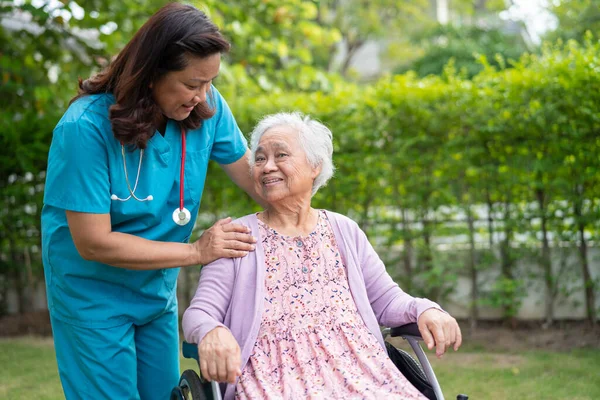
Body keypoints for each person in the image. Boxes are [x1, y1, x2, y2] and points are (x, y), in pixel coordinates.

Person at [41, 3, 261, 399]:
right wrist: (197, 251)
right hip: (92, 296)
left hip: (155, 291)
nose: (203, 96)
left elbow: (257, 182)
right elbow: (93, 242)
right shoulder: (84, 128)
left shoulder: (206, 110)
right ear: (151, 73)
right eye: (193, 84)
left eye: (210, 82)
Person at [182, 112, 462, 399]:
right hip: (275, 381)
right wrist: (212, 331)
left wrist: (425, 309)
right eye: (260, 158)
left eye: (281, 155)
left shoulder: (344, 230)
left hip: (362, 372)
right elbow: (199, 313)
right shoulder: (237, 235)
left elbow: (387, 299)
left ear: (315, 166)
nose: (267, 167)